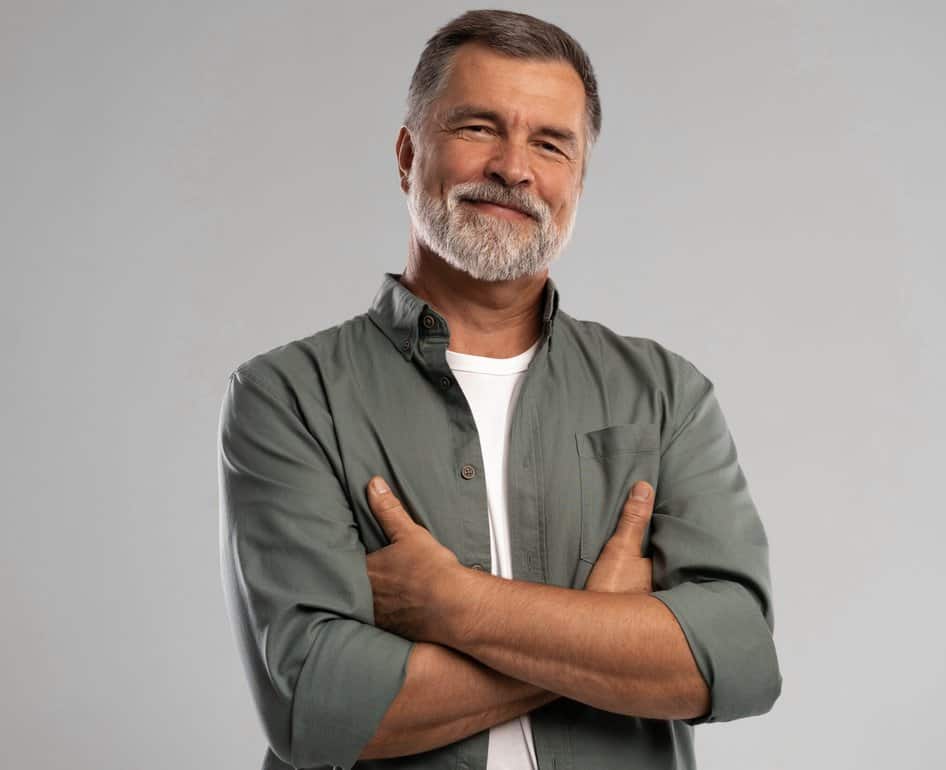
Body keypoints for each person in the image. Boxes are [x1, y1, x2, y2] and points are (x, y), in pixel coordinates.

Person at [217, 9, 781, 770]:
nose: (514, 168)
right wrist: (608, 630)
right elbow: (317, 707)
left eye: (550, 143)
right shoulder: (288, 395)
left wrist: (454, 605)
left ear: (578, 179)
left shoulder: (667, 395)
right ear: (407, 153)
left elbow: (737, 660)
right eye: (480, 128)